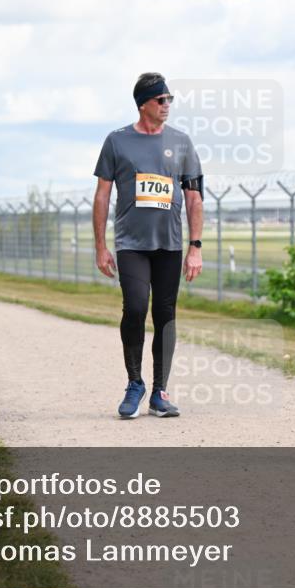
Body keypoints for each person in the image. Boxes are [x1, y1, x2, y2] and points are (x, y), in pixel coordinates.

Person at [92, 72, 204, 420]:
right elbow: (102, 195)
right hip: (131, 245)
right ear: (144, 104)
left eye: (169, 100)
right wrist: (100, 246)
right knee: (137, 307)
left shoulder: (182, 142)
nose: (167, 105)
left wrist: (195, 246)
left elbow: (194, 196)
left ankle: (159, 391)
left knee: (165, 317)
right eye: (161, 100)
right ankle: (135, 383)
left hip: (169, 246)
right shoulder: (117, 141)